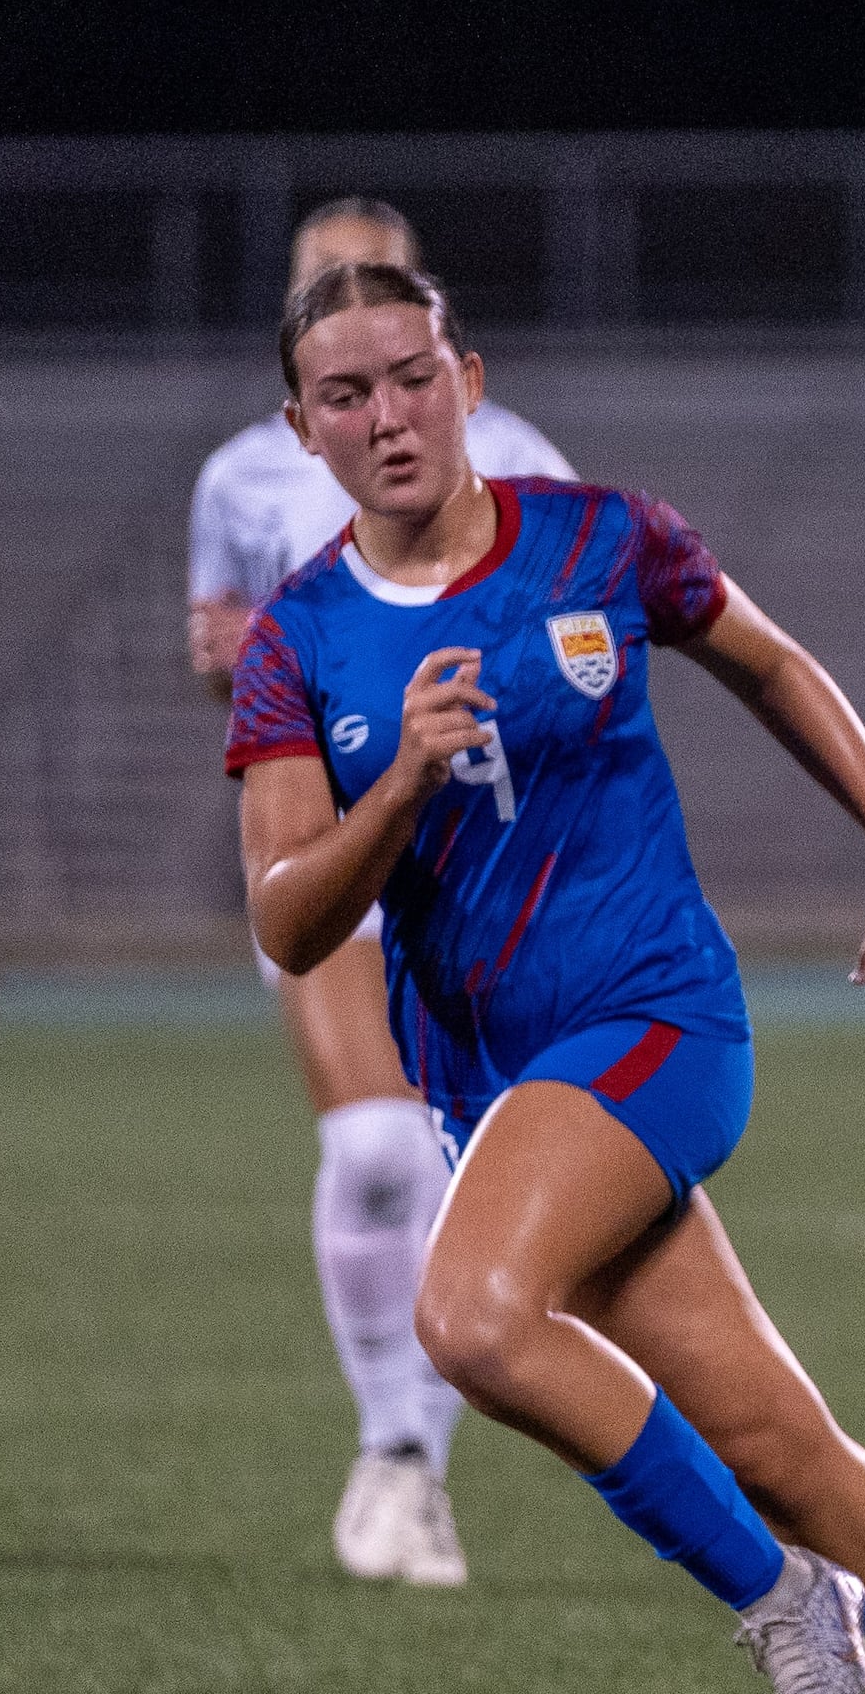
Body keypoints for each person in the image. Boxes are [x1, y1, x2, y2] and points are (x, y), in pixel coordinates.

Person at [227, 256, 865, 1694]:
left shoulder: (599, 538)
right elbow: (292, 921)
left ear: (470, 379)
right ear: (303, 429)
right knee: (774, 1442)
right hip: (495, 1092)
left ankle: (781, 1600)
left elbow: (771, 663)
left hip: (657, 1024)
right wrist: (401, 794)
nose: (389, 415)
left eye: (413, 376)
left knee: (467, 1317)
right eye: (346, 394)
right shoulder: (298, 643)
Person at [188, 198, 576, 1591]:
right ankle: (395, 1456)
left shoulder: (516, 453)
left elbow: (577, 624)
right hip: (330, 845)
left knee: (488, 1180)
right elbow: (222, 654)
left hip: (478, 861)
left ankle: (741, 1504)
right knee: (372, 1154)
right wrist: (231, 653)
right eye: (320, 295)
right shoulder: (241, 476)